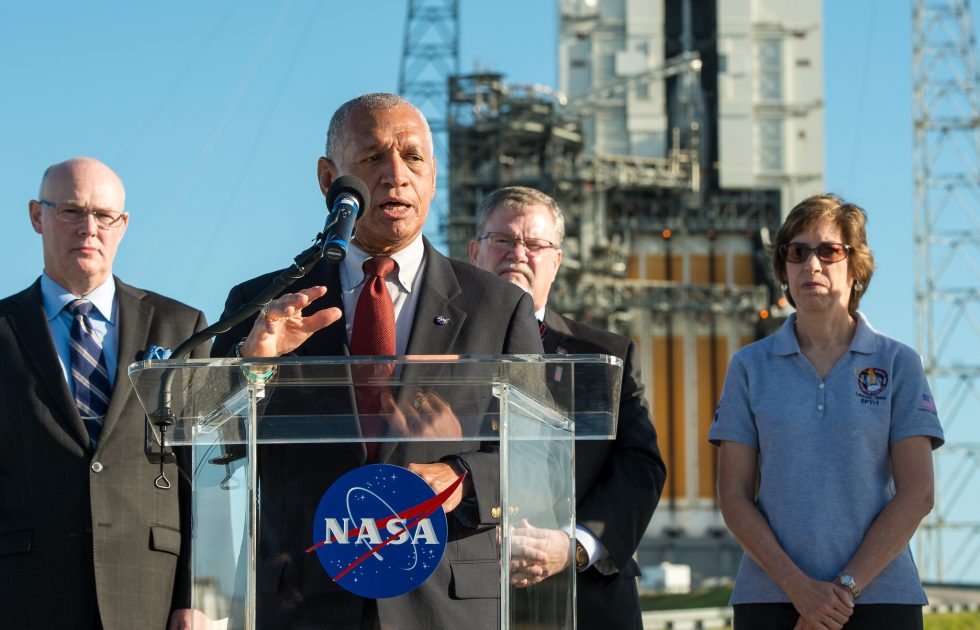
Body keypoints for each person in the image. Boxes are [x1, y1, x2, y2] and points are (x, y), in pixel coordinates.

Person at [211, 93, 543, 628]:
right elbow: (214, 447)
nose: (395, 175)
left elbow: (540, 457)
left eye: (413, 158)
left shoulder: (498, 308)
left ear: (433, 176)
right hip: (305, 595)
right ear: (328, 179)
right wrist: (257, 367)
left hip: (443, 600)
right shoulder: (264, 305)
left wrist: (457, 475)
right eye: (371, 158)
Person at [708, 194, 944, 630]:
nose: (810, 265)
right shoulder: (749, 367)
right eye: (796, 253)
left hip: (880, 601)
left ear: (856, 269)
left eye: (828, 251)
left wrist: (842, 591)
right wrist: (799, 589)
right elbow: (734, 497)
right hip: (772, 600)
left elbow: (918, 494)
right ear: (783, 269)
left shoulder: (898, 363)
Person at [0, 157, 209, 630]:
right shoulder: (4, 330)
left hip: (151, 593)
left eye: (104, 216)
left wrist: (198, 593)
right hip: (22, 592)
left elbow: (200, 474)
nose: (89, 228)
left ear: (123, 225)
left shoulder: (182, 328)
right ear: (37, 216)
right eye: (71, 211)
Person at [469, 186, 667, 629]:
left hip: (587, 602)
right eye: (502, 241)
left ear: (555, 262)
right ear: (475, 252)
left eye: (535, 244)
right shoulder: (435, 356)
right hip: (461, 597)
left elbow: (641, 466)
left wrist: (574, 544)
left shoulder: (603, 355)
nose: (518, 254)